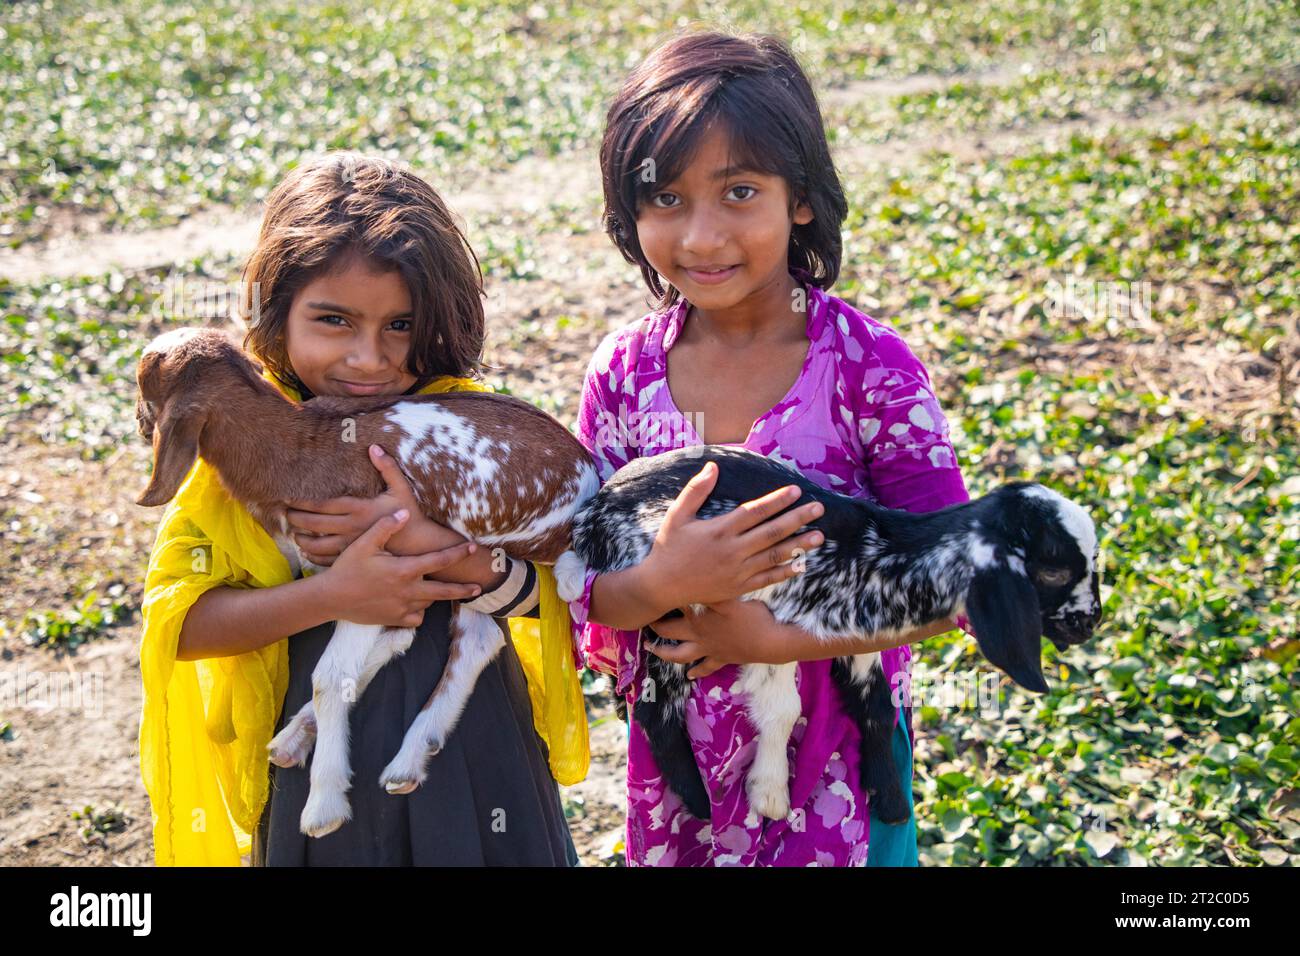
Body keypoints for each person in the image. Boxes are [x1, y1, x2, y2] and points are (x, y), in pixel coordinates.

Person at [567, 30, 978, 866]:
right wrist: (659, 583)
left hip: (838, 765)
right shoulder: (622, 375)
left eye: (739, 191)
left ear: (800, 197)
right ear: (627, 212)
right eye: (666, 200)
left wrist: (771, 640)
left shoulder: (870, 371)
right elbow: (581, 588)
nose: (703, 236)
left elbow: (951, 583)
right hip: (677, 768)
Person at [138, 152, 583, 866]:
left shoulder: (470, 433)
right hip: (313, 772)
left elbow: (564, 592)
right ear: (274, 314)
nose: (369, 358)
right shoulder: (236, 459)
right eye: (335, 320)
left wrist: (455, 554)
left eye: (401, 325)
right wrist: (335, 594)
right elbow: (180, 627)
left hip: (475, 754)